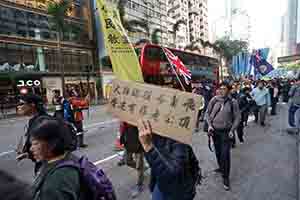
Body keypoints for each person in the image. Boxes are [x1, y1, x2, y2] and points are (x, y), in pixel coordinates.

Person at [137, 120, 198, 200]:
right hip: (161, 183)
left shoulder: (177, 135)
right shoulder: (156, 130)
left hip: (177, 191)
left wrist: (149, 148)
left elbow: (174, 173)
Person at [30, 118, 82, 200]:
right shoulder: (66, 158)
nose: (31, 149)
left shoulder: (57, 180)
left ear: (52, 144)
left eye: (36, 143)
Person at [206, 82, 241, 190]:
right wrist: (209, 125)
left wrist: (232, 129)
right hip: (214, 131)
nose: (221, 90)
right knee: (218, 152)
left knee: (225, 154)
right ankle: (221, 167)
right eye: (220, 88)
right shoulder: (214, 100)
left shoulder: (233, 102)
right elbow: (207, 113)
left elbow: (237, 117)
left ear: (229, 90)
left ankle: (225, 177)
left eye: (224, 89)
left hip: (226, 133)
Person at [16, 94, 49, 174]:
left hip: (47, 166)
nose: (18, 107)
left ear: (32, 105)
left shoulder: (42, 121)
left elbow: (46, 147)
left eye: (21, 104)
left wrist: (29, 153)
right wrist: (28, 154)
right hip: (42, 164)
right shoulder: (34, 120)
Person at [118, 122, 145, 198]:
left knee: (139, 166)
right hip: (128, 140)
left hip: (139, 141)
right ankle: (142, 170)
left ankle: (139, 184)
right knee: (127, 161)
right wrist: (122, 139)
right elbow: (123, 127)